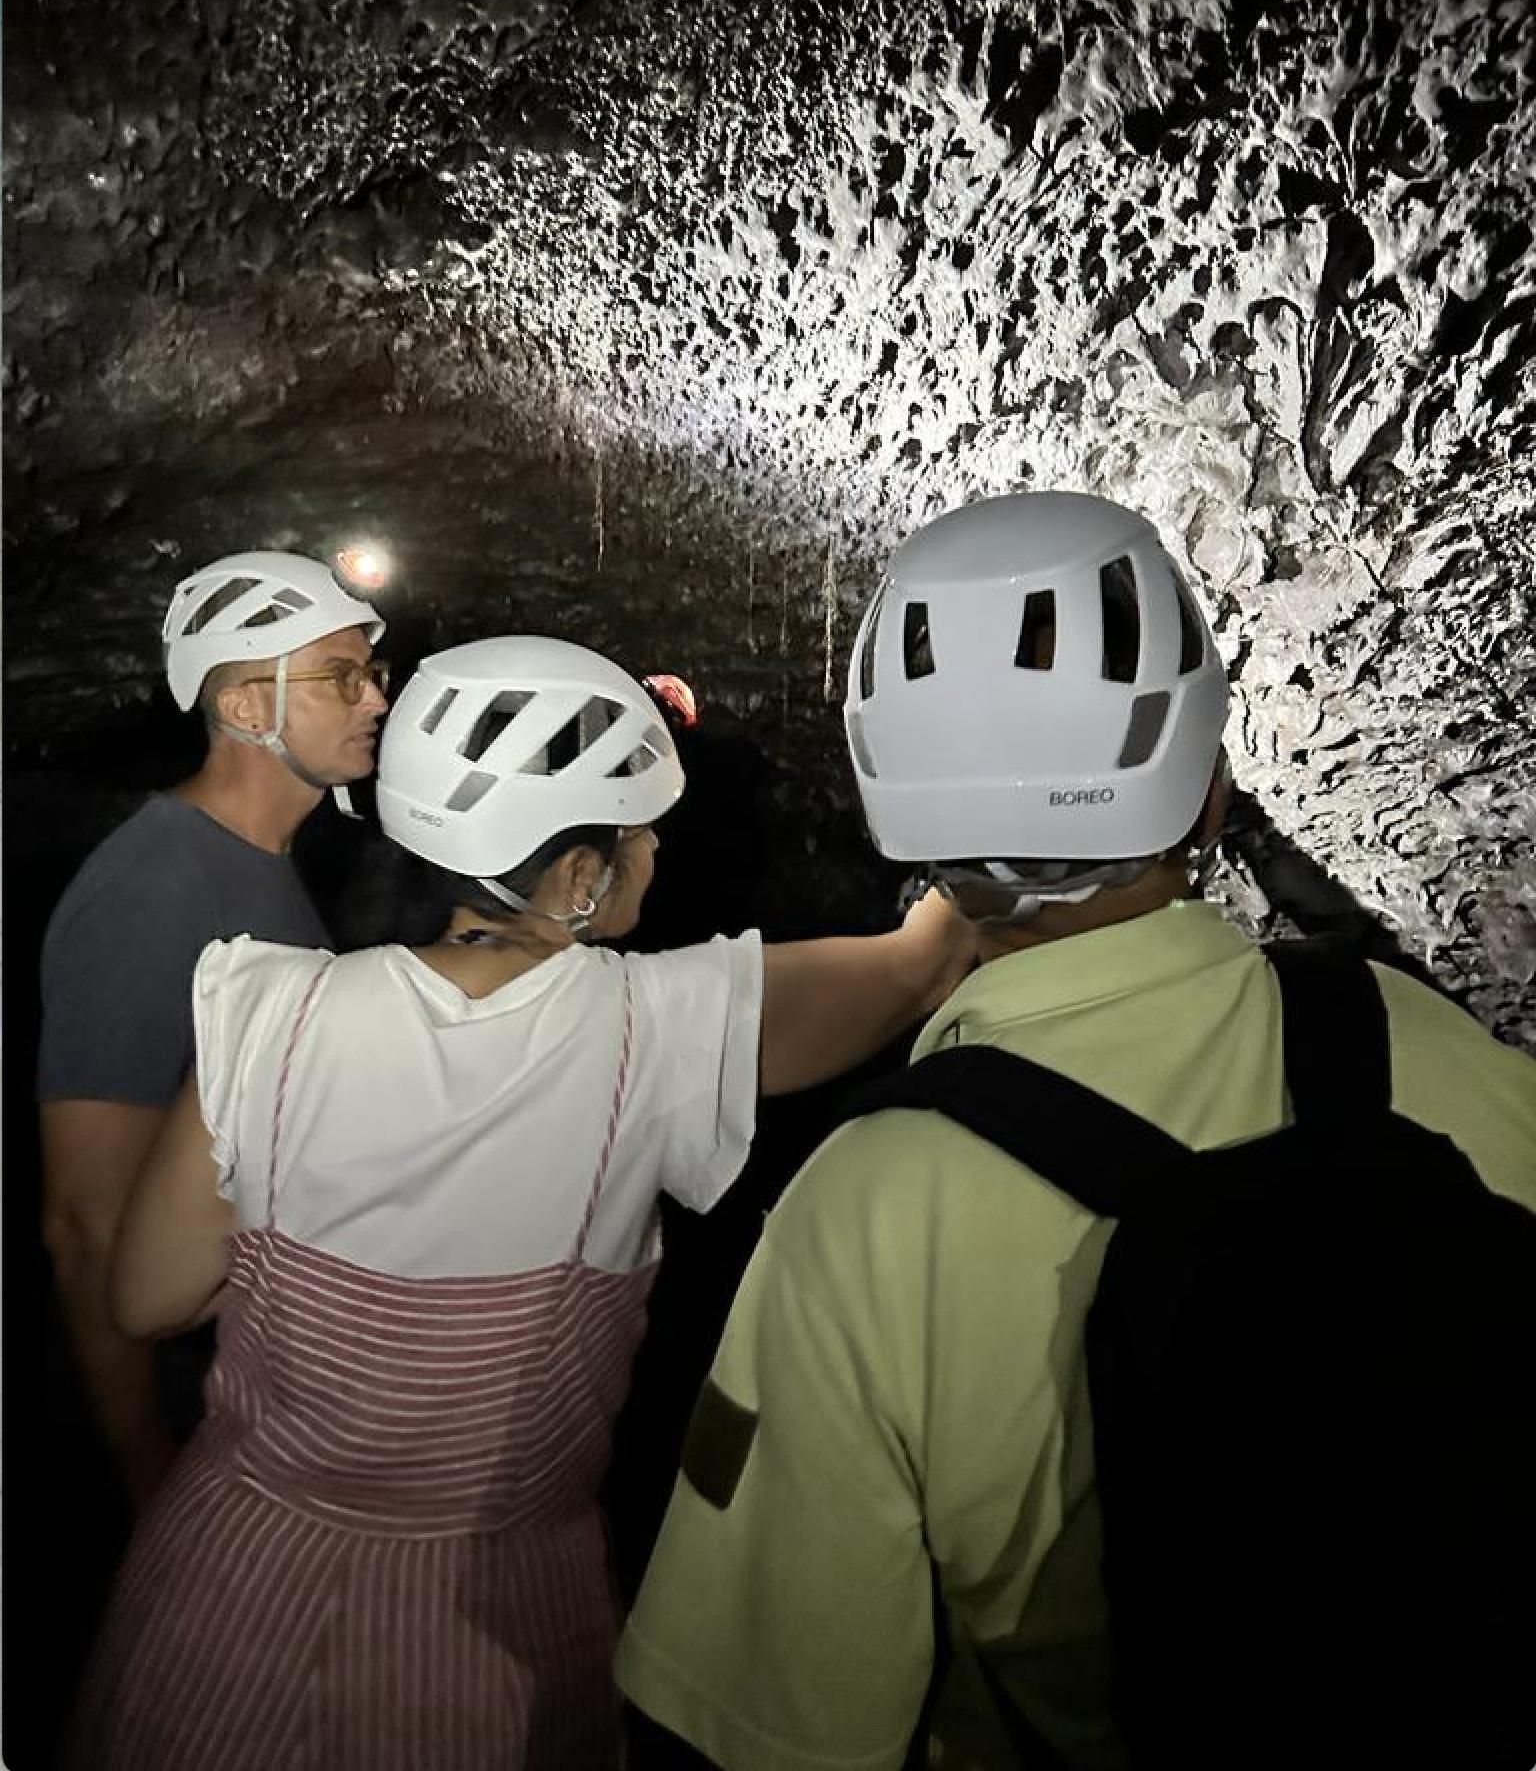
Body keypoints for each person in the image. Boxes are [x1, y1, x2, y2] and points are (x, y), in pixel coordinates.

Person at [617, 490, 1536, 1771]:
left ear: (908, 823)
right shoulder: (1439, 1053)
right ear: (1209, 791)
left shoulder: (879, 1202)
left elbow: (755, 1726)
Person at [68, 634, 974, 1771]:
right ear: (574, 875)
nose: (652, 851)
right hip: (477, 1623)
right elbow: (920, 965)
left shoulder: (267, 1006)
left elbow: (147, 1295)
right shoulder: (656, 1028)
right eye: (635, 835)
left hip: (221, 1579)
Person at [37, 550, 389, 1510]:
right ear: (245, 709)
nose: (374, 701)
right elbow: (84, 1220)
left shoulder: (258, 863)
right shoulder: (154, 889)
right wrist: (144, 1456)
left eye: (373, 674)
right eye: (341, 678)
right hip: (193, 1403)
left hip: (256, 1386)